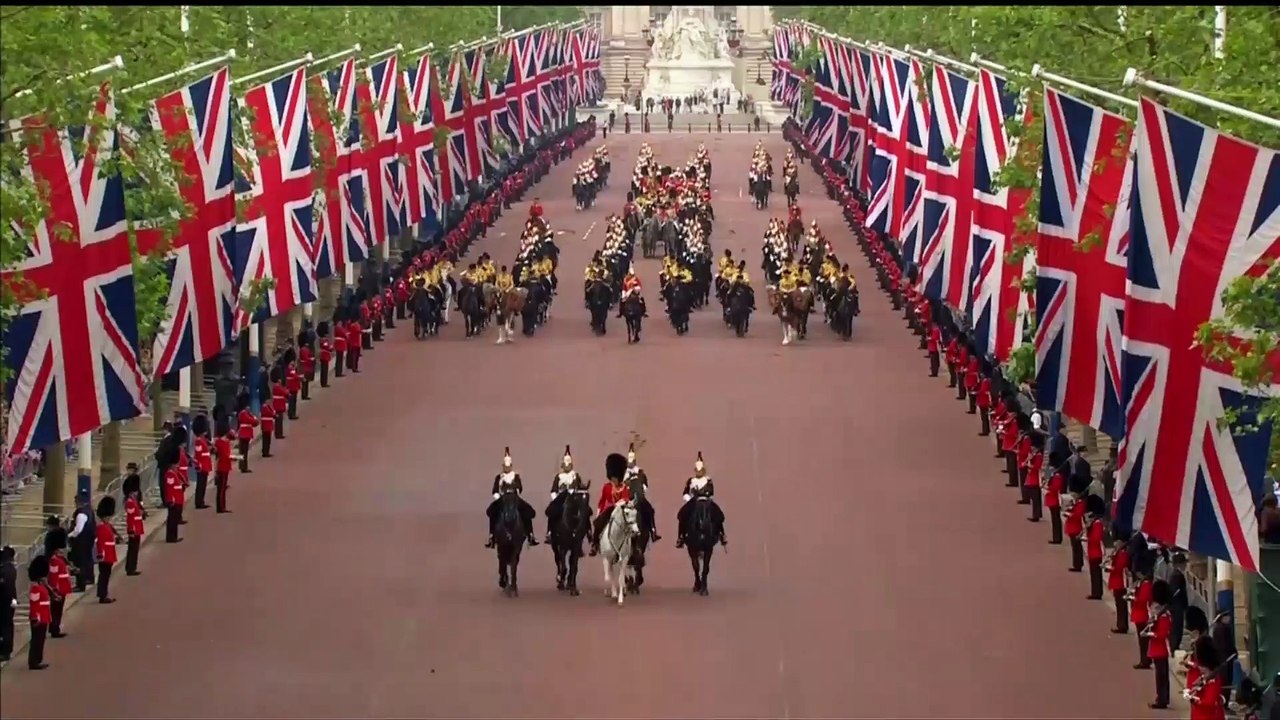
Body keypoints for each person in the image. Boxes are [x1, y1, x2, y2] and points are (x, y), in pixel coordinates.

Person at [485, 448, 538, 548]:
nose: (507, 467)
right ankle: (491, 536)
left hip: (514, 498)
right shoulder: (499, 477)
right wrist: (498, 498)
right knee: (492, 511)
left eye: (508, 466)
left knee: (527, 511)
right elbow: (495, 491)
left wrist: (516, 491)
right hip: (502, 499)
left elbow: (519, 487)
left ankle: (530, 535)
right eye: (505, 466)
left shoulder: (515, 476)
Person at [675, 451, 727, 548]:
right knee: (682, 514)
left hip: (706, 501)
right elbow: (685, 493)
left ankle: (722, 534)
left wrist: (707, 497)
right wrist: (689, 499)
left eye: (700, 471)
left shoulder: (708, 480)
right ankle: (681, 536)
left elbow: (711, 493)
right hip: (693, 502)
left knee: (718, 514)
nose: (699, 472)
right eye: (697, 471)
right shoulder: (691, 480)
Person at [589, 452, 633, 556]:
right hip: (610, 509)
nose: (614, 480)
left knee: (633, 525)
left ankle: (635, 549)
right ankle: (595, 544)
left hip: (622, 509)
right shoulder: (607, 487)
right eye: (613, 478)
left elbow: (626, 498)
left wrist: (622, 503)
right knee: (598, 523)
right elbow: (603, 500)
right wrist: (599, 512)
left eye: (616, 479)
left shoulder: (624, 487)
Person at [544, 446, 588, 543]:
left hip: (574, 498)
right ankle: (550, 532)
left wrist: (581, 491)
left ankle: (588, 531)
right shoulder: (558, 476)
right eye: (566, 462)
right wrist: (556, 499)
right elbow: (553, 490)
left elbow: (580, 487)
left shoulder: (575, 475)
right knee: (552, 512)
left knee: (585, 511)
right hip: (561, 499)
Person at [1145, 579, 1174, 709]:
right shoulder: (1158, 617)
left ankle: (1162, 699)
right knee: (1160, 676)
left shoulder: (1164, 617)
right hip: (1157, 649)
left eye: (1156, 607)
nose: (1153, 609)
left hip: (1161, 649)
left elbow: (1161, 635)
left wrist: (1150, 634)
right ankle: (1161, 697)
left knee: (1162, 676)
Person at [624, 443, 660, 542]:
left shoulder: (640, 473)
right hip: (625, 499)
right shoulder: (623, 473)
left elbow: (645, 486)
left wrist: (640, 490)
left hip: (639, 499)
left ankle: (653, 531)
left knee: (650, 510)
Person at [43, 529, 72, 638]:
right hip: (59, 588)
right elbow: (54, 576)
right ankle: (55, 628)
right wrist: (54, 590)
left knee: (56, 609)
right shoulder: (54, 560)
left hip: (61, 587)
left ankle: (54, 627)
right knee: (56, 610)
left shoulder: (56, 557)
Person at [26, 555, 51, 670]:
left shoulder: (39, 585)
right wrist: (35, 618)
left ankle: (37, 660)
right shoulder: (35, 588)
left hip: (43, 615)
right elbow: (35, 604)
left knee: (40, 639)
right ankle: (34, 661)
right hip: (39, 617)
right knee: (37, 640)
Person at [94, 496, 119, 604]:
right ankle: (103, 595)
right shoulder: (101, 527)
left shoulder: (107, 525)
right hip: (105, 555)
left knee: (106, 575)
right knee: (104, 575)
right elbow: (100, 542)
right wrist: (100, 554)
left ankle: (104, 593)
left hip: (109, 554)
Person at [1106, 533, 1130, 633]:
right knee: (1119, 604)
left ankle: (1122, 626)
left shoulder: (1122, 553)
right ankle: (1121, 624)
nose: (1115, 543)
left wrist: (1109, 567)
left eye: (1117, 542)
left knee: (1121, 605)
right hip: (1117, 580)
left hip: (1120, 581)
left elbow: (1119, 567)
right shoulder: (1119, 552)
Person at [163, 460, 186, 544]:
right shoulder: (170, 474)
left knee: (174, 519)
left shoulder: (173, 473)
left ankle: (173, 536)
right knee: (172, 519)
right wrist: (171, 500)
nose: (177, 466)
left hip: (177, 499)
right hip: (174, 500)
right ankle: (171, 537)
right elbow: (169, 488)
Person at [124, 486, 144, 576]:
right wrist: (131, 530)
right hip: (134, 528)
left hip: (137, 527)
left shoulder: (134, 501)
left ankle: (132, 567)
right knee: (133, 549)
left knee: (134, 549)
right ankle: (130, 568)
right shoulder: (130, 502)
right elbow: (130, 518)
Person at [0, 545, 15, 662]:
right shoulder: (8, 568)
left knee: (5, 627)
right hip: (7, 601)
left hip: (5, 602)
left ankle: (5, 651)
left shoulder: (6, 570)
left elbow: (6, 587)